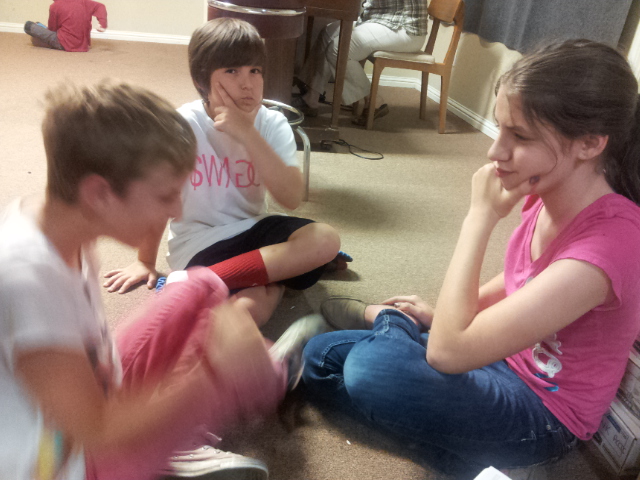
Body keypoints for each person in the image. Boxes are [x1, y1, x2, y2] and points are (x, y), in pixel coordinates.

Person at [302, 39, 640, 477]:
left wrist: (479, 219)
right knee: (320, 358)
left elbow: (447, 354)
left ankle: (390, 323)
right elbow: (523, 278)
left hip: (543, 415)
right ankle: (468, 456)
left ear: (590, 143)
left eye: (519, 136)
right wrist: (453, 312)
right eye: (499, 129)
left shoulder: (611, 245)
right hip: (500, 356)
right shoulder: (550, 191)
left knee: (371, 369)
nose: (494, 152)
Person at [0, 80, 326, 480]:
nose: (177, 211)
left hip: (96, 387)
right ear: (99, 194)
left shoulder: (58, 222)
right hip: (70, 460)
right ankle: (199, 428)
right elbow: (98, 430)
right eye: (165, 196)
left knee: (200, 285)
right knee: (219, 376)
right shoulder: (26, 281)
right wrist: (212, 377)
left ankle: (257, 373)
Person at [104, 18, 346, 326]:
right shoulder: (181, 126)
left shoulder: (272, 124)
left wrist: (247, 133)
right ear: (202, 80)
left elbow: (291, 198)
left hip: (255, 231)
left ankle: (205, 285)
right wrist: (145, 260)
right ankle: (264, 275)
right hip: (199, 244)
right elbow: (159, 199)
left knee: (325, 239)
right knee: (253, 306)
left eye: (255, 70)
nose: (247, 83)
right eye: (232, 71)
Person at [295, 0, 428, 125]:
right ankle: (311, 98)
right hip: (380, 20)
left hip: (405, 28)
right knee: (328, 32)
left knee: (339, 47)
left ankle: (374, 101)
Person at [24, 0, 107, 52]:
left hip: (63, 42)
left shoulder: (54, 6)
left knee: (29, 26)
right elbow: (100, 6)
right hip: (83, 44)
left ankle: (43, 39)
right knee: (39, 26)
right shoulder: (84, 2)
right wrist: (102, 23)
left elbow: (53, 29)